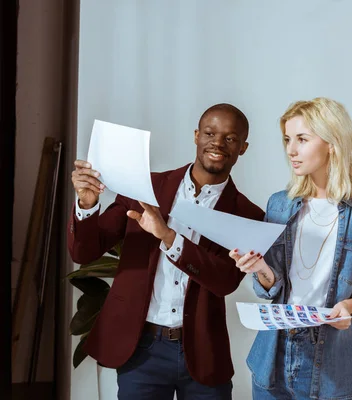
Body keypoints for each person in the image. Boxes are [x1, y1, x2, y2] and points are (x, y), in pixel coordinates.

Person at [67, 104, 264, 400]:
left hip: (203, 354)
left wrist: (169, 237)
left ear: (243, 148)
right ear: (196, 136)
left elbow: (224, 282)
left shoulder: (246, 214)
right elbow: (85, 251)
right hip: (141, 349)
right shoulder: (146, 187)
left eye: (230, 138)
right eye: (210, 133)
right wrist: (87, 204)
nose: (218, 144)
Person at [229, 97, 352, 399]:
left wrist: (351, 306)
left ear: (332, 142)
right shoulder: (279, 203)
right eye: (287, 140)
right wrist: (259, 268)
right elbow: (270, 286)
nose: (291, 150)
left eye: (302, 139)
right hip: (273, 356)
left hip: (333, 364)